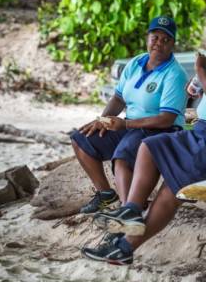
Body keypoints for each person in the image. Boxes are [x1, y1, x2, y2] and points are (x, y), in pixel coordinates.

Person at [83, 11, 206, 265]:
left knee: (167, 180)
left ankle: (125, 236)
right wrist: (199, 84)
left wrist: (202, 70)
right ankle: (129, 220)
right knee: (151, 149)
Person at [71, 16, 188, 216]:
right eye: (155, 37)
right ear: (147, 37)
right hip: (129, 124)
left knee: (123, 156)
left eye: (165, 40)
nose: (158, 43)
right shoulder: (136, 62)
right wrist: (102, 120)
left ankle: (128, 211)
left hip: (159, 129)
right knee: (81, 138)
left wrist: (125, 124)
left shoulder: (175, 74)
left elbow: (167, 119)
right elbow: (118, 99)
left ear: (172, 45)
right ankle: (106, 194)